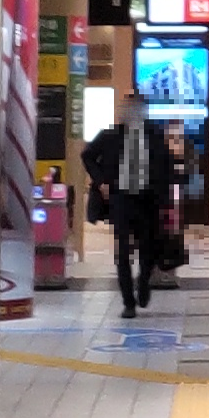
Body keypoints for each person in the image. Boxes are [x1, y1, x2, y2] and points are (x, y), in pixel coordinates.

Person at [82, 94, 176, 320]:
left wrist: (166, 198)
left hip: (148, 201)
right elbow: (87, 156)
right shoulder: (110, 136)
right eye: (129, 109)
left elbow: (167, 167)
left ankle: (144, 282)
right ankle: (128, 303)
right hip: (121, 200)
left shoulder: (154, 136)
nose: (132, 114)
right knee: (122, 253)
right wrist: (101, 181)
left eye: (137, 109)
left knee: (149, 251)